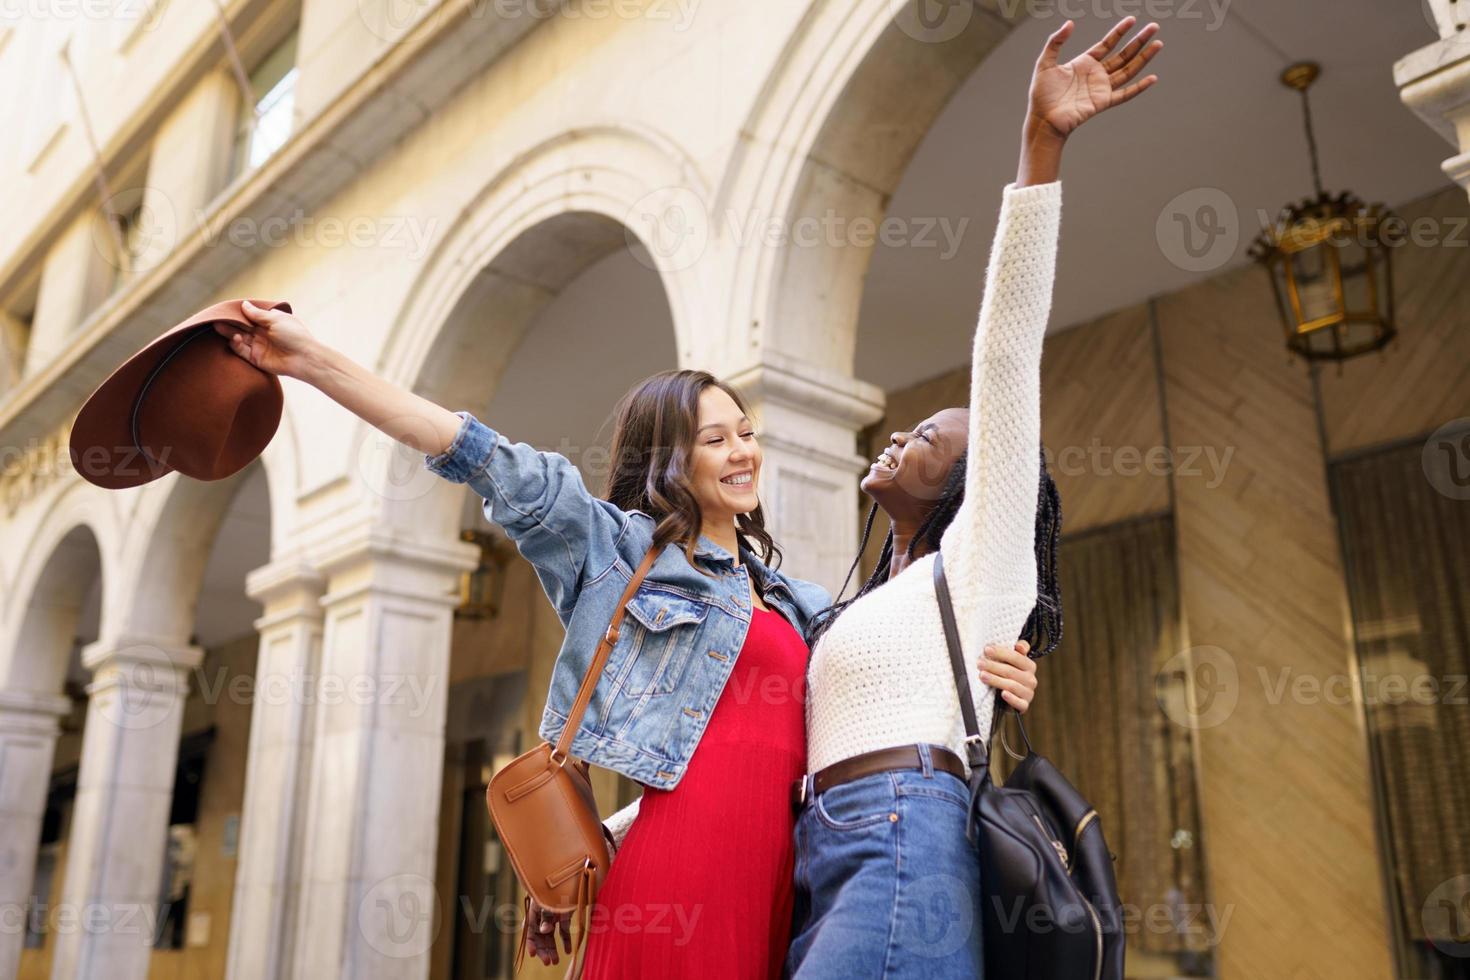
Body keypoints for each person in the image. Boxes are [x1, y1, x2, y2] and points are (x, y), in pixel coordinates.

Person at [213, 312, 1040, 976]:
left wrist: (996, 664)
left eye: (744, 432)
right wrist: (311, 359)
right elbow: (476, 454)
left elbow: (889, 670)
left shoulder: (801, 603)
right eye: (713, 439)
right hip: (677, 876)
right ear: (668, 459)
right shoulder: (617, 553)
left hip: (786, 878)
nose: (741, 451)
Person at [783, 16, 1163, 979]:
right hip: (819, 850)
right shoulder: (863, 600)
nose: (900, 436)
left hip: (900, 837)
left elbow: (1004, 354)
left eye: (930, 440)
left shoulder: (983, 560)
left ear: (968, 484)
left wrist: (1041, 148)